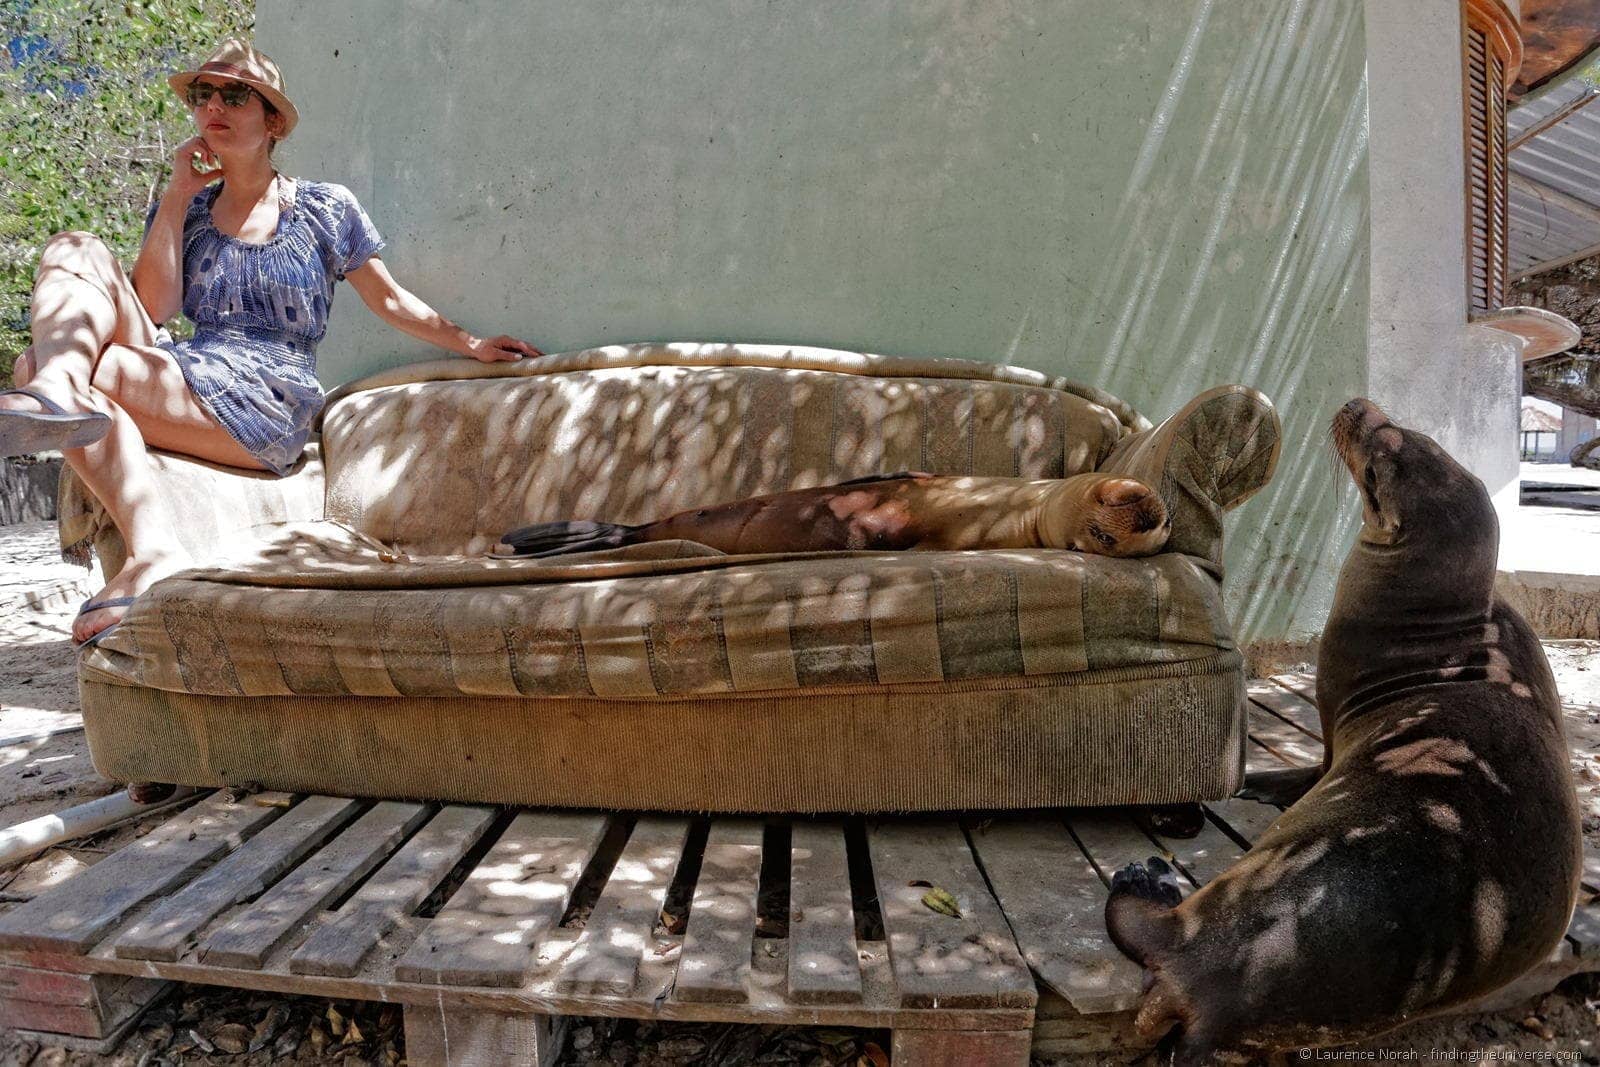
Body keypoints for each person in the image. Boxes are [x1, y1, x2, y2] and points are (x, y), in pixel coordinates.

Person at [0, 39, 543, 645]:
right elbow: (154, 308)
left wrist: (471, 343)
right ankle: (59, 396)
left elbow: (388, 298)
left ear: (273, 120)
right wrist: (177, 196)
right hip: (189, 365)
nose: (214, 106)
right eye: (204, 94)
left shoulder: (324, 207)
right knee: (74, 248)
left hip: (269, 396)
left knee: (78, 369)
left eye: (236, 94)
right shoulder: (190, 208)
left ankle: (136, 522)